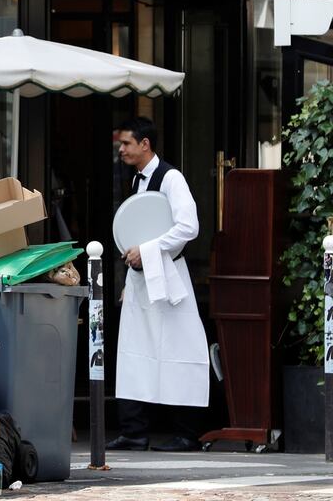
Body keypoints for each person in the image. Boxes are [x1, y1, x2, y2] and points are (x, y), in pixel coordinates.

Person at [106, 117, 210, 453]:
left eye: (126, 143)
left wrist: (148, 251)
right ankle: (134, 431)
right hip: (141, 280)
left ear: (145, 144)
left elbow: (188, 227)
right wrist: (130, 279)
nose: (121, 149)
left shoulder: (171, 178)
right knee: (135, 352)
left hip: (168, 279)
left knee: (180, 349)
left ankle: (186, 433)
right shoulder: (137, 181)